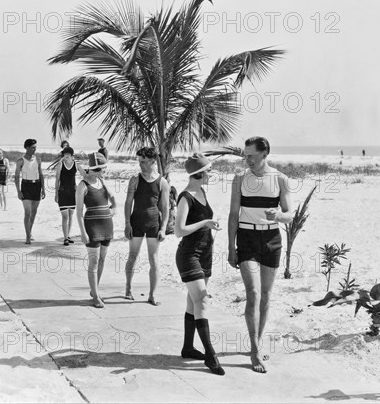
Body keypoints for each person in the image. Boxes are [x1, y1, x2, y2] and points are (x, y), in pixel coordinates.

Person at [228, 136, 292, 374]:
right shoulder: (239, 179)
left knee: (266, 295)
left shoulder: (280, 179)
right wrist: (230, 247)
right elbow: (233, 214)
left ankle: (258, 339)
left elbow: (289, 213)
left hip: (272, 240)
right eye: (245, 155)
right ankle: (254, 350)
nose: (247, 160)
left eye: (252, 156)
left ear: (265, 154)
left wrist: (279, 216)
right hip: (246, 239)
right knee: (253, 293)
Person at [175, 153, 224, 376]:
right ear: (199, 173)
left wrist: (209, 226)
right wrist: (205, 222)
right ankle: (211, 356)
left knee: (192, 301)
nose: (211, 174)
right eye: (209, 170)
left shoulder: (202, 192)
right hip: (189, 254)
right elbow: (178, 230)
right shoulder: (185, 197)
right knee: (202, 300)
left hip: (205, 253)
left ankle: (187, 347)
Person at [124, 147, 170, 305]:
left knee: (154, 260)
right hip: (136, 221)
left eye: (143, 162)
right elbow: (128, 203)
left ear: (152, 161)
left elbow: (165, 207)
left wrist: (163, 228)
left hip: (153, 224)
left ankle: (152, 295)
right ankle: (128, 288)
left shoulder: (162, 182)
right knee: (132, 257)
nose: (140, 165)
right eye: (139, 161)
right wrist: (127, 224)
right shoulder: (134, 180)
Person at [76, 152, 116, 308]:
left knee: (102, 260)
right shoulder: (82, 185)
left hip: (107, 224)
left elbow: (113, 198)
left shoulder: (102, 181)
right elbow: (79, 212)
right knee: (93, 262)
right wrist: (82, 232)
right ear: (94, 169)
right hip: (92, 227)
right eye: (102, 169)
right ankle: (96, 297)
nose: (104, 172)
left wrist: (114, 209)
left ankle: (95, 291)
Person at [15, 139, 46, 244]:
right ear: (27, 147)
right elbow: (16, 176)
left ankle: (30, 231)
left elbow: (41, 174)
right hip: (26, 186)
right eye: (33, 147)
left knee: (34, 213)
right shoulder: (21, 160)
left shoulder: (38, 159)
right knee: (27, 213)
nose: (35, 149)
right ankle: (28, 237)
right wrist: (18, 191)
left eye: (35, 147)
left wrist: (43, 189)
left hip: (36, 186)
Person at [55, 146, 87, 245]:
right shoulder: (60, 165)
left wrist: (80, 186)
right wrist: (56, 194)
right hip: (63, 192)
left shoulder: (76, 165)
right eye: (65, 154)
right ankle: (65, 238)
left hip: (73, 194)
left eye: (69, 154)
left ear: (72, 156)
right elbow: (57, 179)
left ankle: (67, 236)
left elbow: (85, 175)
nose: (67, 156)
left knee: (71, 216)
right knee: (65, 217)